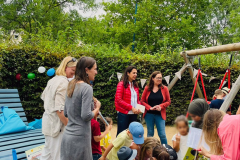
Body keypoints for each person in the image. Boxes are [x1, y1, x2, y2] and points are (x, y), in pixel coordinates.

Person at [60, 57, 101, 160]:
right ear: (87, 70)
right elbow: (86, 115)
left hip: (67, 137)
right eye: (95, 69)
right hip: (80, 139)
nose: (96, 72)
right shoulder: (87, 88)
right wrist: (97, 109)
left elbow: (66, 113)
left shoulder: (71, 85)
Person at [41, 56, 77, 160]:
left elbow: (44, 97)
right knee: (58, 156)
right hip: (57, 126)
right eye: (73, 70)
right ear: (66, 67)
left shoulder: (53, 80)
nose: (74, 73)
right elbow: (60, 110)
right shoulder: (63, 82)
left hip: (48, 123)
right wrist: (69, 126)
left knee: (47, 154)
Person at [141, 71, 171, 144]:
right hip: (149, 114)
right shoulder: (147, 88)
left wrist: (161, 106)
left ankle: (165, 149)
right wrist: (149, 107)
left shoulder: (165, 88)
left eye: (160, 78)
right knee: (150, 134)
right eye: (158, 78)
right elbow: (142, 101)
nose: (159, 79)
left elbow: (168, 101)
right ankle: (148, 150)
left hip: (160, 114)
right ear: (153, 78)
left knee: (162, 135)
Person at [115, 66, 141, 135]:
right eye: (133, 73)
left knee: (131, 134)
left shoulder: (135, 85)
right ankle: (119, 146)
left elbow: (137, 100)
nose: (135, 74)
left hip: (134, 114)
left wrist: (139, 108)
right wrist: (131, 108)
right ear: (128, 73)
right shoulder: (121, 84)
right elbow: (118, 100)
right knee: (122, 134)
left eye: (136, 73)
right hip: (123, 113)